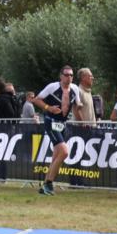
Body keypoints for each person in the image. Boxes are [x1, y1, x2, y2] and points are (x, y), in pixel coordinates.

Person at [32, 66, 82, 196]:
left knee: (56, 156)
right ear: (61, 76)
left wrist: (81, 121)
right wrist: (49, 108)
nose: (69, 77)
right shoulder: (52, 87)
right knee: (64, 152)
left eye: (71, 75)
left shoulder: (75, 89)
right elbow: (36, 99)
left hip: (62, 124)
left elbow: (77, 106)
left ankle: (45, 186)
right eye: (66, 75)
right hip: (51, 121)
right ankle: (49, 183)